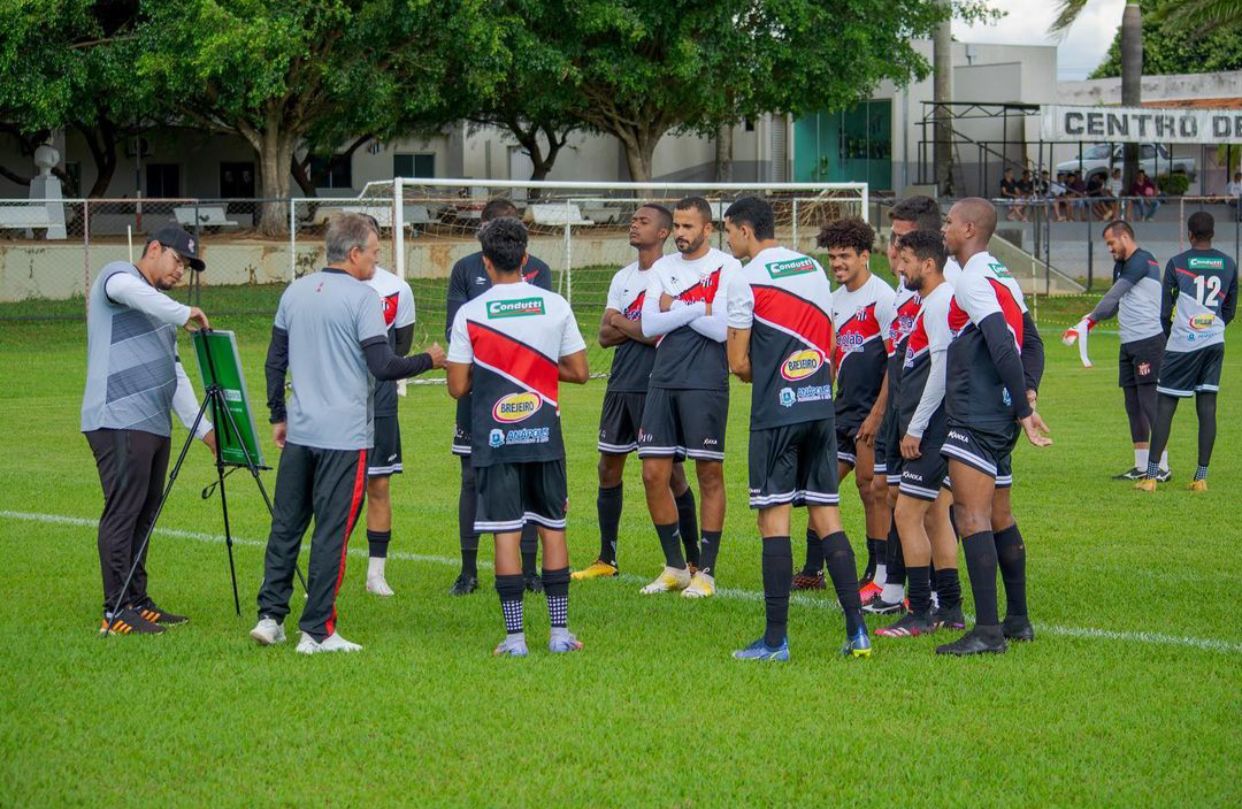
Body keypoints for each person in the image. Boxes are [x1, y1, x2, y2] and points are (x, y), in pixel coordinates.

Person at [251, 214, 444, 654]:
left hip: (301, 433)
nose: (377, 260)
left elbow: (274, 361)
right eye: (374, 252)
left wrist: (279, 414)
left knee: (286, 527)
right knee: (331, 533)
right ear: (354, 253)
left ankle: (270, 617)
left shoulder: (294, 291)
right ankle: (317, 631)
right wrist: (428, 360)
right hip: (344, 436)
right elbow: (383, 365)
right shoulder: (363, 298)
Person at [722, 196, 871, 660]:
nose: (727, 241)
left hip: (777, 413)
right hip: (820, 408)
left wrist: (768, 371)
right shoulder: (810, 267)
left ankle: (775, 641)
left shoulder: (743, 278)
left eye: (728, 231)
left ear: (745, 231)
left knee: (773, 519)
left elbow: (737, 362)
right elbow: (829, 340)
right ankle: (857, 633)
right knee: (827, 516)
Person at [445, 217, 589, 656]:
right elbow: (580, 371)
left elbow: (457, 386)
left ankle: (514, 639)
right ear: (526, 258)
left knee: (505, 533)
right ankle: (560, 634)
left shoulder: (471, 313)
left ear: (486, 263)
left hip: (495, 441)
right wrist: (536, 371)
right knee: (553, 529)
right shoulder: (555, 305)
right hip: (544, 435)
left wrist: (495, 371)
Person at [83, 225, 215, 635]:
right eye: (177, 260)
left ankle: (137, 601)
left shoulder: (160, 307)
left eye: (186, 266)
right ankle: (115, 611)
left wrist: (204, 430)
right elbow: (128, 289)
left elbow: (175, 374)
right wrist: (183, 312)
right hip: (118, 418)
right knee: (124, 512)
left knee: (144, 514)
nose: (180, 271)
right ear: (154, 248)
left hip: (153, 424)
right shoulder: (118, 276)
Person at [937, 198, 1051, 656]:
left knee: (970, 516)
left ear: (968, 229)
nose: (944, 229)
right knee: (1000, 514)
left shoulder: (971, 279)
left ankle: (986, 631)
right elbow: (1033, 343)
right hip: (999, 411)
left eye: (949, 222)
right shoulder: (1002, 274)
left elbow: (1002, 342)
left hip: (977, 410)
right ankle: (1017, 620)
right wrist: (1026, 394)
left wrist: (1024, 408)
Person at [575, 203, 701, 580]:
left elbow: (658, 332)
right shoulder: (623, 277)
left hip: (657, 387)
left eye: (642, 221)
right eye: (632, 220)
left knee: (670, 475)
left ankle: (692, 560)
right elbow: (603, 335)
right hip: (620, 385)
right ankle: (606, 559)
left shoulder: (675, 276)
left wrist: (626, 323)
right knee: (607, 468)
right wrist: (640, 325)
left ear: (663, 233)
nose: (633, 225)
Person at [636, 196, 746, 598]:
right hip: (663, 378)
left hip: (706, 380)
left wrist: (677, 306)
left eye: (688, 227)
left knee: (708, 473)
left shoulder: (728, 267)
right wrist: (700, 307)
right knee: (653, 473)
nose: (680, 234)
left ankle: (707, 573)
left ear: (707, 229)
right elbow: (649, 324)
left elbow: (723, 329)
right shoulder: (662, 267)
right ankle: (676, 567)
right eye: (677, 226)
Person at [445, 198, 552, 596]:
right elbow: (455, 330)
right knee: (472, 478)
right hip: (477, 392)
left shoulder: (538, 269)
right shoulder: (465, 268)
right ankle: (468, 571)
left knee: (527, 476)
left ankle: (528, 571)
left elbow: (540, 331)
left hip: (526, 393)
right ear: (482, 229)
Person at [796, 218, 892, 599]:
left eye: (845, 256)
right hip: (842, 409)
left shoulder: (883, 298)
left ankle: (877, 569)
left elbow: (895, 362)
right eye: (833, 256)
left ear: (864, 255)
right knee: (819, 484)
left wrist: (878, 414)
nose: (837, 263)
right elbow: (832, 359)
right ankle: (812, 570)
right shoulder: (832, 301)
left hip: (873, 412)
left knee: (870, 489)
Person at [874, 230, 962, 638]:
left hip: (932, 428)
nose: (900, 268)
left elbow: (940, 371)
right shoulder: (932, 301)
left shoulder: (940, 302)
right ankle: (951, 608)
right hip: (935, 425)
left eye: (906, 261)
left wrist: (916, 427)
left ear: (928, 264)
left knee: (907, 514)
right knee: (936, 514)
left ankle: (921, 612)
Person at [863, 196, 943, 615]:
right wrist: (884, 408)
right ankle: (893, 587)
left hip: (925, 412)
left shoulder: (944, 287)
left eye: (902, 239)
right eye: (892, 238)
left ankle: (933, 595)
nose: (894, 248)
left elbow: (941, 361)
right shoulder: (905, 283)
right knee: (891, 493)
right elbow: (899, 353)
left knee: (928, 508)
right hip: (900, 404)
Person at [1138, 212, 1238, 492]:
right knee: (1207, 408)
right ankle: (1200, 478)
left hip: (1182, 344)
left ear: (1190, 234)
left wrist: (1175, 334)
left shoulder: (1177, 263)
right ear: (1213, 233)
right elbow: (1230, 309)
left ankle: (1151, 477)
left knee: (1165, 407)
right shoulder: (1229, 263)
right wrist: (1213, 329)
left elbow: (1164, 311)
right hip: (1214, 342)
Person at [1063, 221, 1169, 480]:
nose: (1110, 248)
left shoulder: (1141, 260)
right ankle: (1142, 466)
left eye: (1111, 243)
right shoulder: (1121, 265)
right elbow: (1114, 305)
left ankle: (1162, 467)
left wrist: (1088, 320)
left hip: (1148, 342)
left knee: (1149, 403)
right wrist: (1089, 323)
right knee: (1133, 405)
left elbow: (1112, 295)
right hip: (1129, 343)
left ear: (1124, 237)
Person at [360, 236, 416, 597]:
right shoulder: (328, 287)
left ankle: (376, 574)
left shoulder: (397, 288)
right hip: (337, 401)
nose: (376, 253)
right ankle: (325, 569)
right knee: (332, 489)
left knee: (378, 484)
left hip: (380, 398)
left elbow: (401, 347)